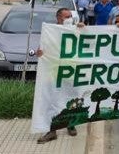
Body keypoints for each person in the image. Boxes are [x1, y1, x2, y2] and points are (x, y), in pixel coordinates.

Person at [36, 8, 84, 144]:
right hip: (53, 73)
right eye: (66, 17)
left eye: (70, 16)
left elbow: (88, 44)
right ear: (58, 18)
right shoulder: (50, 31)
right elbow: (41, 49)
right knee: (52, 101)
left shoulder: (76, 29)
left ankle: (71, 124)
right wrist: (39, 52)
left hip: (71, 72)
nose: (69, 19)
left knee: (72, 99)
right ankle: (52, 131)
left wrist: (83, 29)